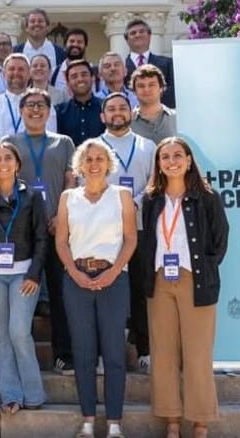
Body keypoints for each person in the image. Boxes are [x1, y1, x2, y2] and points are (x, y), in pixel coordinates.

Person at [139, 137, 229, 438]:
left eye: (178, 155)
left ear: (189, 160)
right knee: (163, 352)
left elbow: (219, 241)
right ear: (158, 164)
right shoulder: (151, 199)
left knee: (198, 353)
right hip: (160, 280)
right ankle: (172, 420)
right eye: (165, 157)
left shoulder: (207, 197)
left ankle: (200, 422)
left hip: (196, 281)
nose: (172, 161)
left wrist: (204, 267)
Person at [56, 139, 138, 438]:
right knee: (83, 352)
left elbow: (130, 239)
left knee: (115, 352)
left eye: (99, 159)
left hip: (114, 280)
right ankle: (88, 420)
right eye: (88, 159)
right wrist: (73, 272)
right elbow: (61, 241)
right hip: (77, 279)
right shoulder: (68, 197)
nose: (93, 164)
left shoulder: (122, 196)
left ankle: (114, 422)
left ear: (108, 164)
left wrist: (114, 271)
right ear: (80, 164)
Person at [0, 88, 76, 377]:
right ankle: (20, 358)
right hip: (22, 229)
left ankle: (64, 355)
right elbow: (5, 183)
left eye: (40, 105)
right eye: (29, 105)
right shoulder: (10, 142)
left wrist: (61, 215)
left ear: (49, 111)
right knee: (22, 295)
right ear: (21, 111)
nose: (35, 110)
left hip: (58, 228)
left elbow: (71, 181)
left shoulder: (64, 142)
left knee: (59, 293)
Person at [0, 142, 49, 415]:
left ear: (17, 164)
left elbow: (41, 238)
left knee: (19, 332)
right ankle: (11, 396)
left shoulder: (32, 197)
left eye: (8, 158)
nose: (2, 163)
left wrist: (34, 274)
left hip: (23, 274)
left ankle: (34, 393)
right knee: (4, 336)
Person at [98, 93, 156, 372]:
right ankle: (109, 351)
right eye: (111, 109)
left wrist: (135, 202)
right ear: (103, 116)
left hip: (142, 227)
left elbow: (155, 181)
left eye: (122, 107)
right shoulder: (93, 146)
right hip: (105, 232)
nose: (117, 112)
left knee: (141, 288)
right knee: (108, 290)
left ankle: (144, 348)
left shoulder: (148, 146)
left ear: (131, 113)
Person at [0, 53, 59, 145]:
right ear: (3, 74)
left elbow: (51, 140)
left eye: (21, 69)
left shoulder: (44, 104)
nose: (16, 73)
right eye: (11, 69)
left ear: (29, 74)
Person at [124, 18, 176, 108]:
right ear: (127, 40)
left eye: (141, 31)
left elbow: (172, 92)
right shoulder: (121, 67)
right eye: (133, 33)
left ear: (149, 35)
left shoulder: (167, 63)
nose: (137, 35)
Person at [54, 59, 105, 146]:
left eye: (84, 74)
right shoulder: (59, 112)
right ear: (68, 83)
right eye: (74, 76)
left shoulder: (105, 108)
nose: (80, 79)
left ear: (92, 78)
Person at [130, 64, 177, 144]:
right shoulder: (128, 122)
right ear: (134, 91)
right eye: (141, 86)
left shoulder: (176, 118)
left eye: (151, 85)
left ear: (161, 88)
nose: (146, 89)